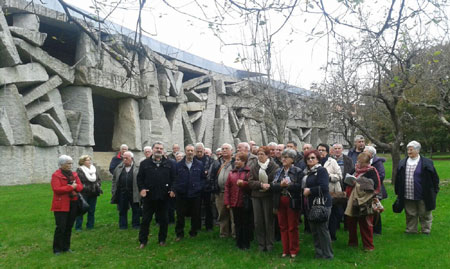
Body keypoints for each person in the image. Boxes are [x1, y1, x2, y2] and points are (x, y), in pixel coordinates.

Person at [394, 141, 440, 235]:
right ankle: (411, 230)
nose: (409, 152)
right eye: (408, 149)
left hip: (423, 193)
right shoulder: (402, 162)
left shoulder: (427, 162)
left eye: (411, 149)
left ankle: (425, 230)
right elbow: (398, 178)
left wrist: (434, 190)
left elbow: (435, 178)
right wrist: (398, 191)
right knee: (410, 213)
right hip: (408, 193)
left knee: (425, 213)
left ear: (418, 150)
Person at [137, 142, 176, 248]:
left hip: (164, 197)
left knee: (164, 220)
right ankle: (143, 241)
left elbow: (174, 178)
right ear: (153, 149)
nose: (159, 150)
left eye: (161, 148)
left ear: (163, 151)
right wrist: (142, 189)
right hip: (149, 197)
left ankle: (162, 240)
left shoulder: (169, 163)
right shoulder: (145, 163)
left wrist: (172, 189)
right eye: (157, 148)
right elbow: (140, 178)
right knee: (145, 220)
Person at [345, 152, 380, 251]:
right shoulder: (355, 169)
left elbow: (374, 186)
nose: (358, 164)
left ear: (367, 163)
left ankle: (368, 246)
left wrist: (358, 183)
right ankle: (352, 243)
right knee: (351, 223)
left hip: (365, 202)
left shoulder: (372, 171)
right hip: (352, 199)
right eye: (358, 161)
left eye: (361, 162)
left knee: (365, 224)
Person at [271, 149, 303, 258]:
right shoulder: (278, 171)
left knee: (292, 226)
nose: (283, 159)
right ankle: (285, 250)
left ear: (292, 159)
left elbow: (300, 187)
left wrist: (288, 185)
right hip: (280, 200)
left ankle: (293, 249)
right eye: (282, 157)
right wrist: (281, 185)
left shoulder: (298, 171)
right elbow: (273, 186)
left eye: (286, 157)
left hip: (292, 201)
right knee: (282, 226)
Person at [302, 150, 333, 259]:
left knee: (322, 230)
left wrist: (310, 190)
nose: (310, 160)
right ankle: (319, 253)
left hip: (322, 204)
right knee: (314, 231)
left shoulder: (321, 170)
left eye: (313, 158)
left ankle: (328, 254)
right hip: (310, 205)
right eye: (308, 158)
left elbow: (324, 187)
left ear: (318, 159)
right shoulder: (307, 172)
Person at [248, 146, 279, 252]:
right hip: (256, 196)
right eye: (258, 154)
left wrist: (269, 185)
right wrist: (260, 185)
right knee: (258, 221)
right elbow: (250, 181)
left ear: (267, 155)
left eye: (262, 154)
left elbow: (276, 180)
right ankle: (261, 244)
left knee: (268, 220)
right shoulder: (254, 166)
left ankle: (270, 244)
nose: (260, 156)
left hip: (268, 197)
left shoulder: (274, 167)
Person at [51, 155, 83, 255]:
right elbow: (56, 189)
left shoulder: (74, 174)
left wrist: (75, 186)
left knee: (69, 226)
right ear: (62, 164)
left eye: (71, 163)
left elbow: (80, 187)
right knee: (61, 227)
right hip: (61, 204)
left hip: (73, 203)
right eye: (68, 163)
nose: (70, 165)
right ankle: (57, 248)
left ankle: (66, 247)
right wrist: (70, 187)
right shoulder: (56, 175)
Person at [174, 144, 206, 240]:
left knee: (195, 214)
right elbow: (175, 179)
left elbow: (203, 178)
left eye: (192, 150)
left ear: (194, 152)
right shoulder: (178, 165)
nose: (190, 152)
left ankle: (193, 232)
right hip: (182, 194)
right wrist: (178, 188)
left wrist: (199, 187)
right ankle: (179, 234)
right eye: (188, 150)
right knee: (180, 215)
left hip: (195, 194)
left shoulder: (199, 164)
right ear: (185, 151)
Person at [224, 152, 252, 249]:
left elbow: (251, 185)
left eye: (238, 160)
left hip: (244, 201)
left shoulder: (248, 172)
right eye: (235, 160)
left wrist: (244, 184)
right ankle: (239, 242)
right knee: (237, 223)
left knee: (245, 223)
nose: (236, 162)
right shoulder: (232, 172)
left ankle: (246, 242)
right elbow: (227, 187)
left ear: (244, 161)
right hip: (234, 202)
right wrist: (227, 202)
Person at [317, 143, 342, 241]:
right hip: (318, 192)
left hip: (331, 191)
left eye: (323, 150)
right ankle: (321, 235)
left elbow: (339, 176)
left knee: (332, 215)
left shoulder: (332, 162)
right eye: (319, 150)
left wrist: (329, 176)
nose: (321, 152)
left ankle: (332, 235)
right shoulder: (315, 161)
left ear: (327, 151)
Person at [210, 143, 236, 237]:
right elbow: (211, 176)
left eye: (226, 148)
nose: (224, 150)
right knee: (222, 213)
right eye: (223, 148)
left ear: (231, 151)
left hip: (233, 193)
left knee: (233, 214)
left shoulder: (235, 162)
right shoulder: (216, 163)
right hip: (220, 192)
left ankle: (234, 233)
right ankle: (224, 233)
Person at [111, 151, 141, 229]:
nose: (124, 160)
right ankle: (123, 226)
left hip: (134, 192)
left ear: (131, 158)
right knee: (122, 210)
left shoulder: (138, 167)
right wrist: (113, 190)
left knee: (136, 209)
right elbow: (114, 179)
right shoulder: (119, 167)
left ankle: (136, 225)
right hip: (122, 192)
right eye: (123, 158)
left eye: (126, 158)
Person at [75, 155, 102, 231]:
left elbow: (98, 179)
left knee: (91, 210)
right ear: (82, 161)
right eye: (87, 160)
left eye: (90, 160)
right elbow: (78, 181)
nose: (89, 161)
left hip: (94, 192)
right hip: (83, 193)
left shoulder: (94, 169)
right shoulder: (80, 170)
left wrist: (98, 185)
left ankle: (90, 226)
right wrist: (84, 187)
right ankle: (78, 227)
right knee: (81, 209)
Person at [364, 145, 387, 235]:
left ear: (371, 153)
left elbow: (381, 176)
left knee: (375, 210)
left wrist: (370, 182)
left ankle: (377, 230)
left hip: (376, 190)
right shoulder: (364, 161)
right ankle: (368, 228)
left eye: (365, 151)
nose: (363, 153)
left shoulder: (377, 163)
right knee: (368, 210)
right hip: (366, 190)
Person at [194, 142, 214, 231]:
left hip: (207, 187)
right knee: (196, 207)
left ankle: (209, 226)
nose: (199, 153)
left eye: (201, 151)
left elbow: (211, 172)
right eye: (197, 151)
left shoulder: (210, 160)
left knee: (208, 207)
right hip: (196, 187)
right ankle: (197, 226)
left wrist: (204, 173)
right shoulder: (192, 160)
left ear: (203, 150)